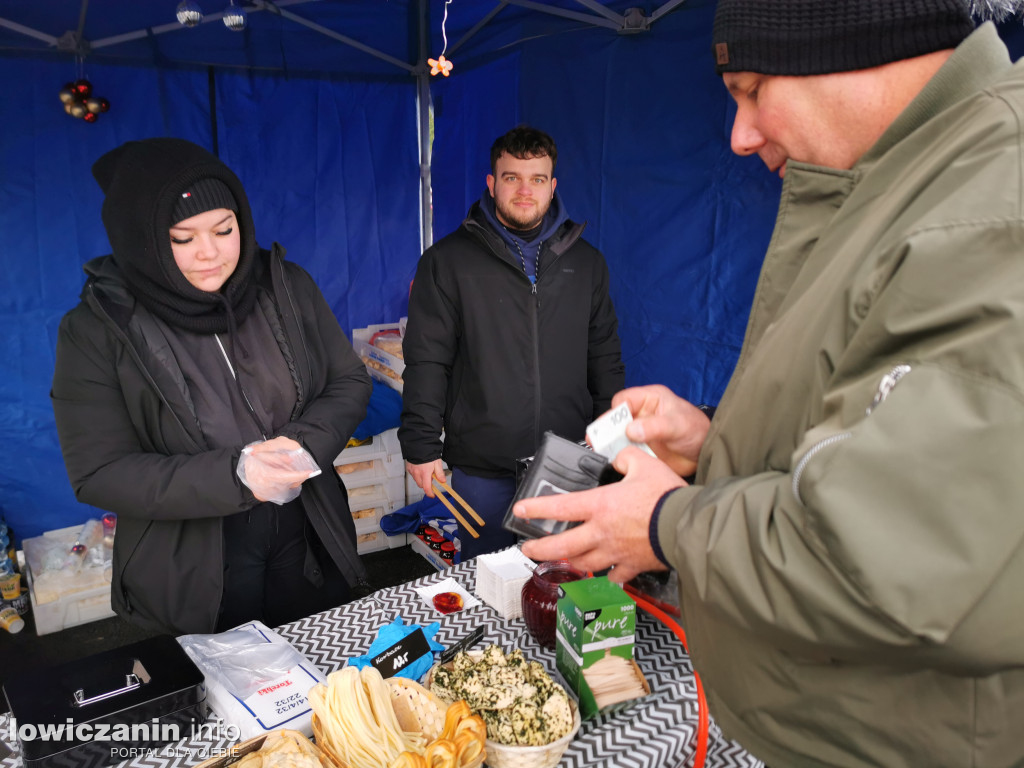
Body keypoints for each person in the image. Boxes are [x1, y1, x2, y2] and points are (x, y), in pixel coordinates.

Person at [513, 2, 1024, 766]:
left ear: (857, 39)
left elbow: (889, 559)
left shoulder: (983, 215)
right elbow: (875, 438)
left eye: (752, 89)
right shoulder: (908, 182)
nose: (740, 135)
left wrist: (665, 524)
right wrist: (714, 441)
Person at [51, 138, 373, 635]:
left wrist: (304, 445)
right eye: (182, 238)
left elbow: (348, 380)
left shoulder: (284, 285)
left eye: (225, 230)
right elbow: (99, 471)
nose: (210, 253)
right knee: (214, 699)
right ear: (143, 239)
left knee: (317, 682)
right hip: (192, 564)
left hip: (306, 532)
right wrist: (235, 474)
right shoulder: (97, 329)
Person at [399, 125, 625, 561]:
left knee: (562, 582)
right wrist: (422, 445)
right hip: (484, 466)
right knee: (489, 590)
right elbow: (428, 360)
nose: (525, 190)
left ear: (552, 185)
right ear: (492, 182)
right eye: (512, 178)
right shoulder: (447, 262)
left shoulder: (588, 263)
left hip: (567, 460)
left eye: (537, 179)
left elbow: (605, 356)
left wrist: (612, 440)